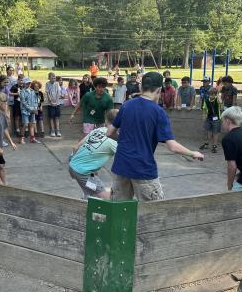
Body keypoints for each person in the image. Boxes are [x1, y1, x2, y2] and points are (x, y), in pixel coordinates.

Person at [107, 72, 204, 201]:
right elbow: (172, 146)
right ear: (159, 90)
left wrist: (125, 140)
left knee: (119, 210)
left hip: (121, 166)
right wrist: (192, 153)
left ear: (141, 88)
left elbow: (109, 132)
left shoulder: (126, 105)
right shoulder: (158, 112)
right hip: (142, 168)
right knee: (155, 209)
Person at [69, 110, 118, 199]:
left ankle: (87, 197)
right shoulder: (114, 142)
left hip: (73, 166)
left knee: (91, 186)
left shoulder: (98, 130)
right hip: (83, 173)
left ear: (106, 121)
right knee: (107, 196)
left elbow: (75, 147)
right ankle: (89, 198)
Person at [0, 93, 16, 184]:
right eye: (4, 101)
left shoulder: (1, 114)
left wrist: (11, 142)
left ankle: (4, 184)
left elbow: (4, 128)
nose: (6, 103)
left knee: (1, 165)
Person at [200, 88, 221, 153]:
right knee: (208, 132)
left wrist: (218, 95)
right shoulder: (206, 101)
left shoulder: (217, 100)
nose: (211, 96)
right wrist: (204, 116)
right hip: (209, 118)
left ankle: (214, 145)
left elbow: (220, 102)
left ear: (215, 95)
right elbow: (204, 108)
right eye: (210, 94)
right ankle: (207, 144)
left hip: (216, 119)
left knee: (215, 133)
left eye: (213, 94)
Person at [20, 78, 40, 144]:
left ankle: (32, 138)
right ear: (24, 84)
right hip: (25, 111)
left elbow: (35, 101)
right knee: (25, 124)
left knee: (32, 124)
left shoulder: (32, 91)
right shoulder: (22, 91)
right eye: (27, 83)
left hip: (33, 110)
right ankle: (21, 138)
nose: (28, 84)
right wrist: (31, 109)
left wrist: (36, 108)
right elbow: (24, 102)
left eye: (29, 83)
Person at [45, 72, 62, 137]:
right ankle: (52, 130)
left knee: (57, 117)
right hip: (50, 104)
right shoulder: (47, 84)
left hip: (57, 103)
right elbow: (48, 93)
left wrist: (56, 101)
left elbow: (58, 93)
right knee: (51, 117)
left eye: (54, 78)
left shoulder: (57, 84)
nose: (53, 79)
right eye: (52, 78)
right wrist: (51, 101)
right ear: (49, 78)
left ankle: (57, 130)